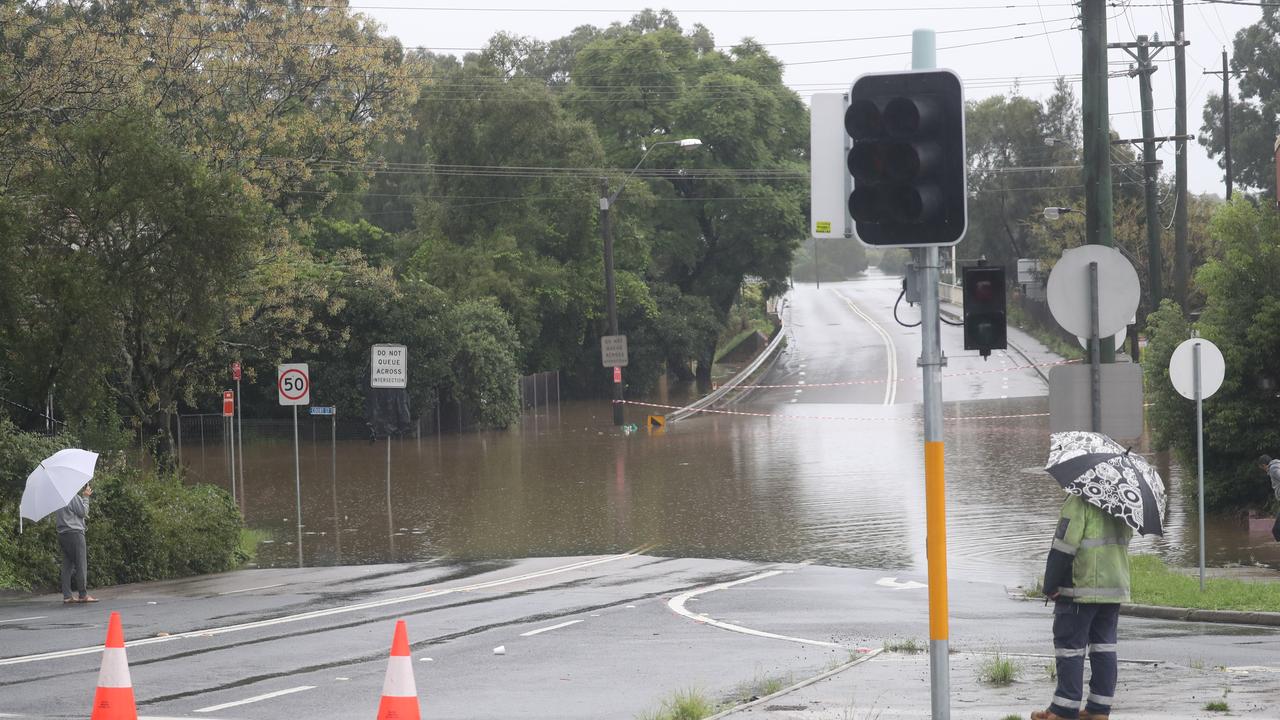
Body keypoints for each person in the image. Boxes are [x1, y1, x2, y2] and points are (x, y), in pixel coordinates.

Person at [1031, 494, 1132, 720]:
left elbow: (1064, 545)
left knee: (1069, 648)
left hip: (1080, 586)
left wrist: (1050, 583)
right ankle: (1098, 710)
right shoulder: (1124, 501)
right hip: (1114, 588)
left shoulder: (1079, 500)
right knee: (1104, 648)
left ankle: (1063, 711)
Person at [55, 484, 97, 604]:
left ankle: (67, 596)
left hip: (63, 534)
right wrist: (86, 497)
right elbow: (83, 512)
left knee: (67, 566)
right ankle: (83, 595)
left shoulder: (58, 497)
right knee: (81, 564)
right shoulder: (71, 496)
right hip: (75, 533)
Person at [1257, 455, 1280, 542]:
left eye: (1262, 468)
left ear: (1264, 465)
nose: (1265, 471)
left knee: (1276, 530)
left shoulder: (1273, 469)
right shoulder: (1278, 465)